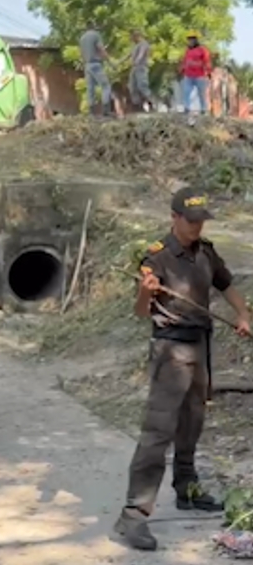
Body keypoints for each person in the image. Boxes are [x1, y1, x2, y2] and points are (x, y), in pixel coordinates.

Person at [114, 187, 251, 551]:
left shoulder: (205, 252)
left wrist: (242, 313)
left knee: (193, 421)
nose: (196, 227)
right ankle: (132, 516)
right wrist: (147, 291)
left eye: (201, 221)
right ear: (174, 218)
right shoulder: (158, 257)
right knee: (159, 431)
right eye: (191, 222)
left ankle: (187, 489)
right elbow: (142, 311)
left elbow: (226, 285)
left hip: (200, 344)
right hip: (170, 349)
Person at [79, 21, 115, 117]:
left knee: (90, 89)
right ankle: (106, 110)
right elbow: (101, 49)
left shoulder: (82, 38)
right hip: (96, 64)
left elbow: (81, 54)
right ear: (93, 27)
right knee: (105, 86)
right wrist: (111, 63)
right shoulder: (95, 35)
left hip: (87, 65)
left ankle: (91, 112)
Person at [180, 31, 212, 115]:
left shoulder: (202, 50)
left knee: (201, 94)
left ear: (195, 40)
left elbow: (207, 61)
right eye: (189, 39)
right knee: (186, 92)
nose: (190, 41)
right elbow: (184, 61)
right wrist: (181, 69)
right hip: (188, 75)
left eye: (192, 39)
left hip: (199, 76)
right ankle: (187, 108)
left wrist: (208, 72)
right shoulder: (187, 51)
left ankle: (203, 109)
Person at [121, 29, 153, 112]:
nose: (131, 40)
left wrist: (137, 61)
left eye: (132, 37)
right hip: (134, 68)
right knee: (132, 87)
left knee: (142, 86)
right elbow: (128, 55)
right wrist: (118, 62)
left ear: (136, 36)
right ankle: (138, 105)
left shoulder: (144, 44)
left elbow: (141, 54)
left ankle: (150, 102)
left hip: (141, 67)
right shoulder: (135, 45)